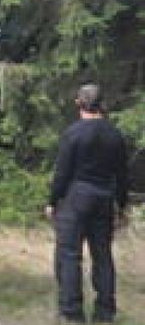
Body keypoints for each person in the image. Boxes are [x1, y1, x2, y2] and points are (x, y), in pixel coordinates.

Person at [46, 83, 130, 323]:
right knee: (103, 256)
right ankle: (105, 312)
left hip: (76, 198)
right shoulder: (115, 134)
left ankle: (72, 313)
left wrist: (53, 200)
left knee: (70, 255)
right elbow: (122, 175)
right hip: (104, 199)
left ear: (78, 103)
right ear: (102, 103)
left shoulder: (73, 133)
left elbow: (62, 173)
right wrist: (121, 205)